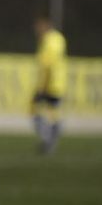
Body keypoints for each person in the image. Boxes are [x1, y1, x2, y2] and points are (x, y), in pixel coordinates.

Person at [32, 14, 67, 154]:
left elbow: (47, 65)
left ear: (45, 25)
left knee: (37, 113)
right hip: (59, 84)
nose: (36, 29)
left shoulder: (48, 41)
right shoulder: (59, 38)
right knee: (53, 114)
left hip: (50, 85)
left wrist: (41, 88)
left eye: (38, 26)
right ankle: (51, 141)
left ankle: (49, 141)